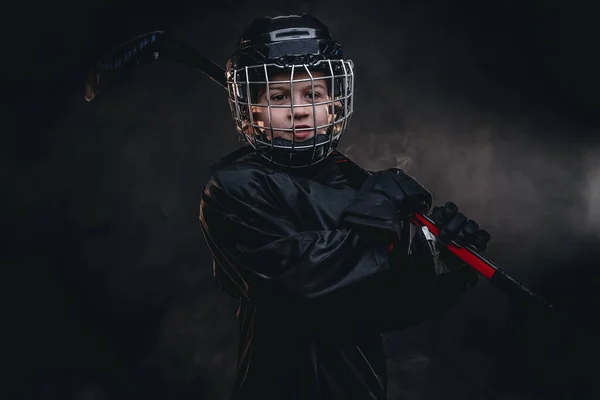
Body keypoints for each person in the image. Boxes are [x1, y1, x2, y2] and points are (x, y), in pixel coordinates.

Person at [199, 14, 491, 400]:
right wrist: (377, 223)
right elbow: (294, 280)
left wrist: (439, 263)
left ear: (334, 103)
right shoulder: (235, 186)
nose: (299, 110)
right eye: (279, 96)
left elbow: (385, 307)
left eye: (313, 94)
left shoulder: (354, 187)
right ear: (253, 111)